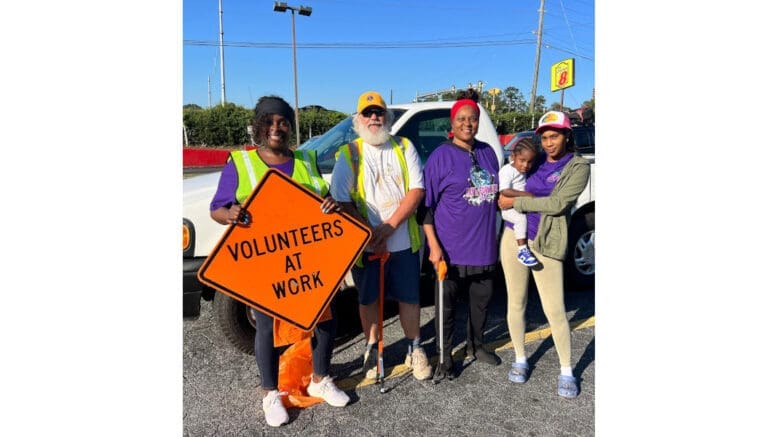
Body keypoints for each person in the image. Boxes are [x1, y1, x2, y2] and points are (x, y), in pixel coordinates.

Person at [208, 95, 349, 427]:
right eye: (269, 122)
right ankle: (271, 393)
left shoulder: (306, 160)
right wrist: (229, 213)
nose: (276, 127)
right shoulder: (241, 164)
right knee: (267, 326)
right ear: (259, 126)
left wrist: (330, 206)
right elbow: (217, 208)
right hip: (266, 264)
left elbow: (323, 202)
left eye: (283, 122)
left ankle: (320, 378)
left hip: (308, 261)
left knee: (325, 320)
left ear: (289, 127)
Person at [330, 91, 432, 381]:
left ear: (387, 117)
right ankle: (373, 349)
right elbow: (341, 199)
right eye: (367, 113)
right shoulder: (350, 153)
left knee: (409, 299)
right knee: (368, 300)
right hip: (366, 245)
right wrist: (369, 232)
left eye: (379, 113)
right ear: (358, 119)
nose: (374, 118)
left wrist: (389, 227)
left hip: (403, 242)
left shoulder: (404, 146)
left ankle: (415, 347)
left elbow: (417, 190)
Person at [497, 110, 591, 399]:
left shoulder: (577, 167)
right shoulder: (534, 161)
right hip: (513, 238)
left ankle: (566, 370)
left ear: (566, 136)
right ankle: (521, 358)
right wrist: (511, 198)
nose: (549, 143)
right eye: (545, 138)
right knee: (516, 303)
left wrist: (518, 201)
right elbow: (504, 190)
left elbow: (558, 204)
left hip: (547, 242)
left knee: (555, 309)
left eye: (554, 136)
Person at [420, 89, 502, 381]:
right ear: (452, 123)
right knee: (447, 309)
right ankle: (444, 358)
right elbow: (425, 208)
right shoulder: (440, 157)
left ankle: (476, 346)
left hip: (484, 248)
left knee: (481, 303)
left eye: (473, 119)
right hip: (450, 250)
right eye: (462, 119)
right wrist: (433, 246)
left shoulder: (487, 152)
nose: (468, 124)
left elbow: (497, 195)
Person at [499, 137, 540, 267]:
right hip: (508, 209)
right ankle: (522, 251)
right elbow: (505, 190)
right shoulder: (507, 170)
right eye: (522, 160)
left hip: (517, 205)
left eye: (530, 162)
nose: (525, 165)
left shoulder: (522, 170)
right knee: (521, 220)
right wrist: (526, 195)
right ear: (513, 156)